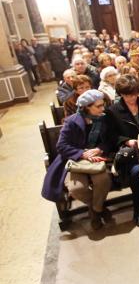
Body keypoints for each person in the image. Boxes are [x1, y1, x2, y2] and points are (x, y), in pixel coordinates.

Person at [41, 90, 112, 230]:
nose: (102, 109)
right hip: (75, 160)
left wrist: (100, 149)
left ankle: (95, 212)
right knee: (76, 188)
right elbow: (61, 146)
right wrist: (82, 154)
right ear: (86, 107)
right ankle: (98, 208)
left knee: (103, 180)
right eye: (98, 106)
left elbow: (110, 140)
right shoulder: (72, 121)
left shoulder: (104, 118)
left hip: (96, 159)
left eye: (102, 105)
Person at [107, 75, 139, 226]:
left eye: (135, 94)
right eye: (127, 95)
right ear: (121, 94)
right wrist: (127, 140)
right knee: (137, 172)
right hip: (130, 154)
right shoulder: (113, 111)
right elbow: (111, 136)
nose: (132, 98)